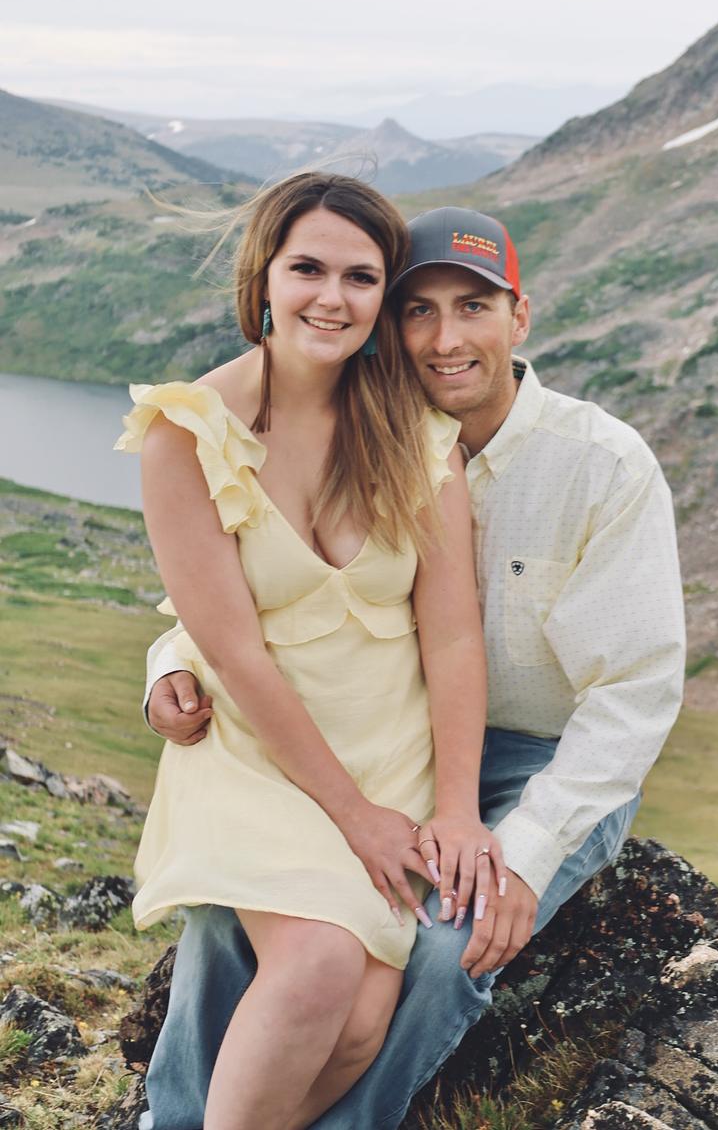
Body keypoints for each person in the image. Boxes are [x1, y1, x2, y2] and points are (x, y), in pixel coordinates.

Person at [140, 205, 686, 1130]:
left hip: (542, 760)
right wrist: (168, 664)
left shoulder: (601, 466)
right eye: (418, 310)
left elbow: (633, 699)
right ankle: (175, 1118)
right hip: (381, 735)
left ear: (519, 317)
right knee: (236, 921)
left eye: (474, 308)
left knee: (444, 946)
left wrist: (525, 849)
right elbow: (259, 598)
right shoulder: (368, 421)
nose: (445, 340)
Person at [117, 177, 500, 1130]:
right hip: (259, 752)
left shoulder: (415, 432)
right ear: (264, 280)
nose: (332, 298)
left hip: (391, 752)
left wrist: (455, 808)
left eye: (361, 278)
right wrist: (356, 819)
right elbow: (235, 652)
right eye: (308, 270)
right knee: (319, 964)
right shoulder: (185, 434)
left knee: (363, 1026)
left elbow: (454, 633)